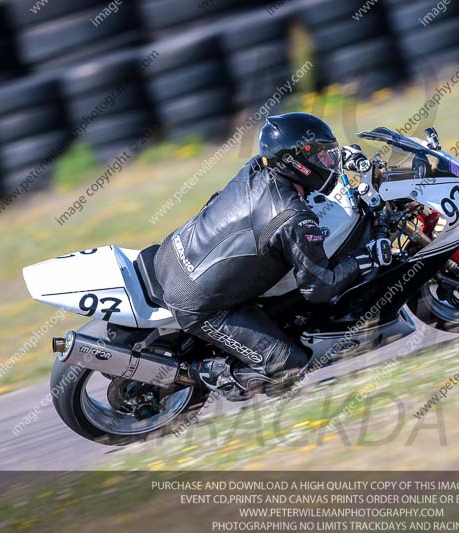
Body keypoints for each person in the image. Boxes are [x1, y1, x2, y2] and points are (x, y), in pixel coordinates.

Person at [153, 112, 386, 400]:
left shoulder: (257, 168)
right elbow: (319, 287)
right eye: (323, 156)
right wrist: (366, 258)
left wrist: (342, 161)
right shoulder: (292, 217)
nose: (329, 162)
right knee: (288, 366)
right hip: (196, 303)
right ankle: (204, 372)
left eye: (330, 154)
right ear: (298, 163)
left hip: (170, 253)